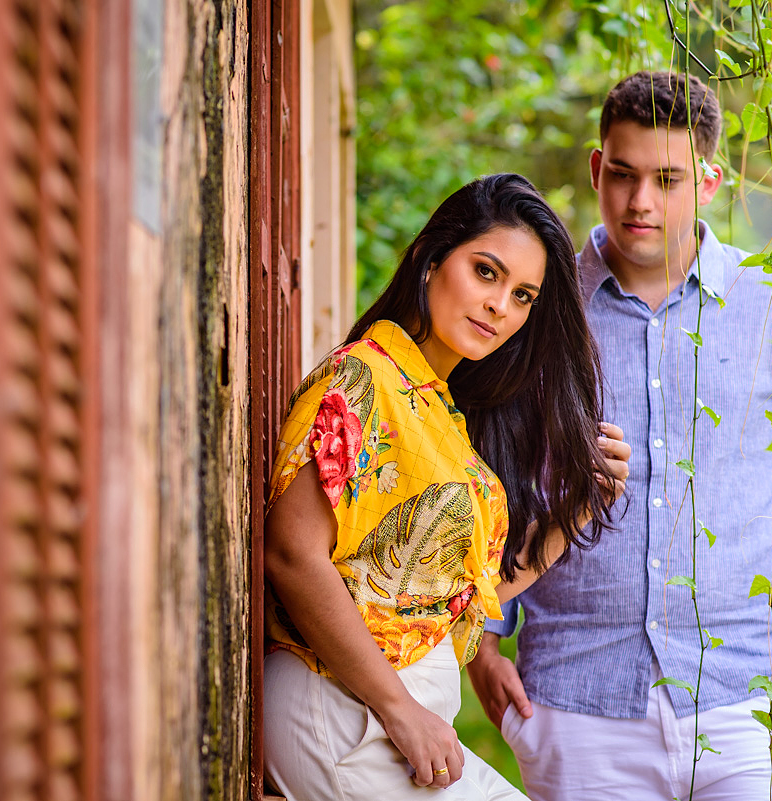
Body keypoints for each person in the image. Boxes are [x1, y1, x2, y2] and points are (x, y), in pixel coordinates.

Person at [468, 72, 772, 801]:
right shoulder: (536, 307)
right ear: (597, 168)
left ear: (711, 181)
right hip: (577, 700)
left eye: (668, 178)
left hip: (750, 700)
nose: (640, 202)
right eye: (622, 175)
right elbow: (492, 478)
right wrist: (483, 641)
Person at [262, 173, 631, 801]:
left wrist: (576, 512)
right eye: (486, 273)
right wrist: (398, 708)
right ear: (433, 260)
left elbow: (468, 596)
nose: (500, 307)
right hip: (341, 708)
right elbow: (291, 554)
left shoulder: (442, 414)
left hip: (398, 719)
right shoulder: (364, 380)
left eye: (523, 296)